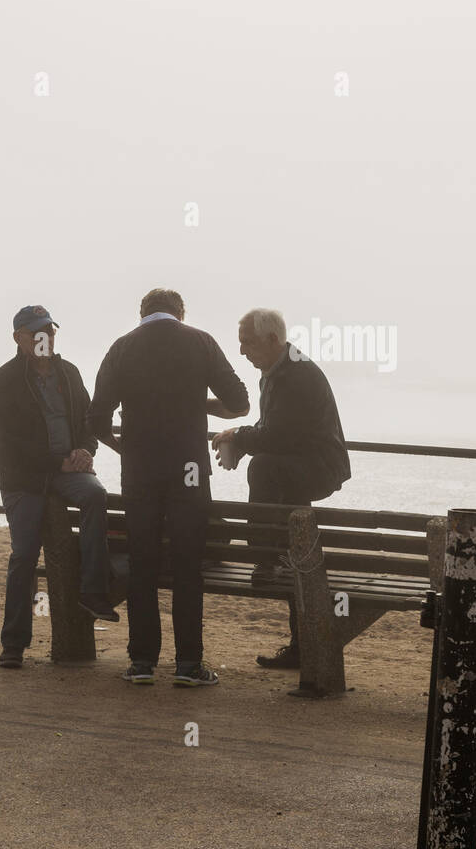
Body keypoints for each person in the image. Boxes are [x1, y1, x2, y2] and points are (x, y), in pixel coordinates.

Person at [89, 289, 249, 686]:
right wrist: (199, 403)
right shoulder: (201, 342)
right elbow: (241, 403)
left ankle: (142, 662)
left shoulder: (121, 348)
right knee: (187, 566)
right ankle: (188, 665)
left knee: (142, 563)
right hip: (189, 469)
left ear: (142, 312)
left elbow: (96, 418)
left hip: (140, 469)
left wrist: (120, 446)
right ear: (180, 313)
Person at [212, 308, 350, 670]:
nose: (242, 351)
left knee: (264, 467)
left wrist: (238, 438)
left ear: (272, 339)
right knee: (297, 550)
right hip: (301, 466)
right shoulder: (278, 370)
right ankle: (301, 645)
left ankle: (263, 557)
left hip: (317, 466)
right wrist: (241, 441)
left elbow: (280, 435)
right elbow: (274, 428)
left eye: (248, 343)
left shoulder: (295, 375)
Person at [0, 305, 117, 670]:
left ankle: (93, 592)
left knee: (96, 495)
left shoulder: (70, 372)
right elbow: (10, 441)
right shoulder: (5, 379)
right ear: (19, 338)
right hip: (25, 478)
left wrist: (85, 451)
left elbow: (90, 422)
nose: (45, 337)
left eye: (49, 330)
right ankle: (13, 645)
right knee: (24, 555)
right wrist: (56, 462)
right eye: (36, 332)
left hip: (66, 469)